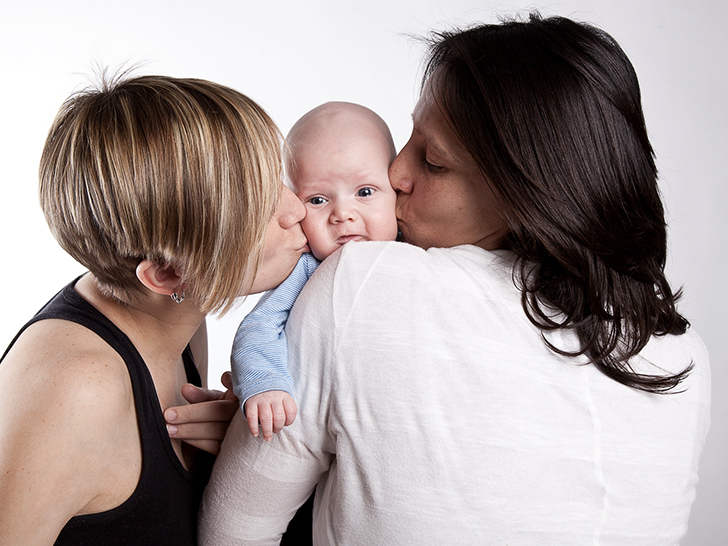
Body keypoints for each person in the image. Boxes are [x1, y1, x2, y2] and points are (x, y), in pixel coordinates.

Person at [199, 14, 711, 545]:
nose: (396, 173)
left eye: (434, 162)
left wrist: (262, 437)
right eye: (410, 135)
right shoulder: (681, 354)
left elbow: (235, 530)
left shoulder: (364, 282)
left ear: (527, 194)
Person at [0, 74, 308, 545]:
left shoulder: (179, 315)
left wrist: (239, 449)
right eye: (261, 208)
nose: (297, 209)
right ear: (166, 274)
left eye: (278, 178)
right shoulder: (76, 388)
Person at [231, 101, 398, 441]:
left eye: (365, 192)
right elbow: (259, 327)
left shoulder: (418, 254)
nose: (342, 214)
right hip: (323, 419)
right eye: (318, 200)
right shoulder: (306, 269)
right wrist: (265, 385)